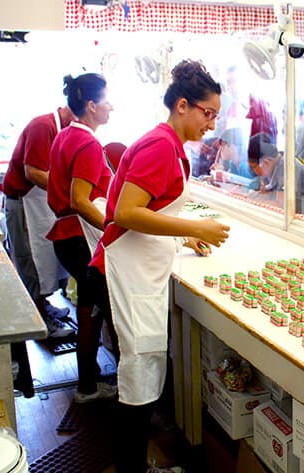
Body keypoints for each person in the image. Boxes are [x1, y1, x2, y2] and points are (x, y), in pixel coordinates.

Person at [88, 59, 230, 473]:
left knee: (142, 378)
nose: (211, 123)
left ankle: (137, 464)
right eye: (208, 113)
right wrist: (193, 225)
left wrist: (183, 237)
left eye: (216, 116)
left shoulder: (167, 145)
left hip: (138, 272)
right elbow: (128, 213)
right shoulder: (160, 146)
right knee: (137, 383)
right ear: (182, 105)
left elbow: (149, 208)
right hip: (123, 274)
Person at [47, 72, 117, 403]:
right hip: (80, 238)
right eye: (106, 102)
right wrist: (116, 228)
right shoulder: (88, 142)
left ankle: (88, 384)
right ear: (91, 106)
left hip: (66, 237)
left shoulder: (65, 135)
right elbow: (80, 200)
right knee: (100, 311)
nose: (111, 108)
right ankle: (93, 388)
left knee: (89, 309)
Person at [1, 101, 76, 397]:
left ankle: (43, 306)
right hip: (23, 204)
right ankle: (39, 318)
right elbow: (33, 172)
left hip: (40, 204)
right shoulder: (42, 126)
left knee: (47, 259)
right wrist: (71, 191)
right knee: (30, 260)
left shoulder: (68, 130)